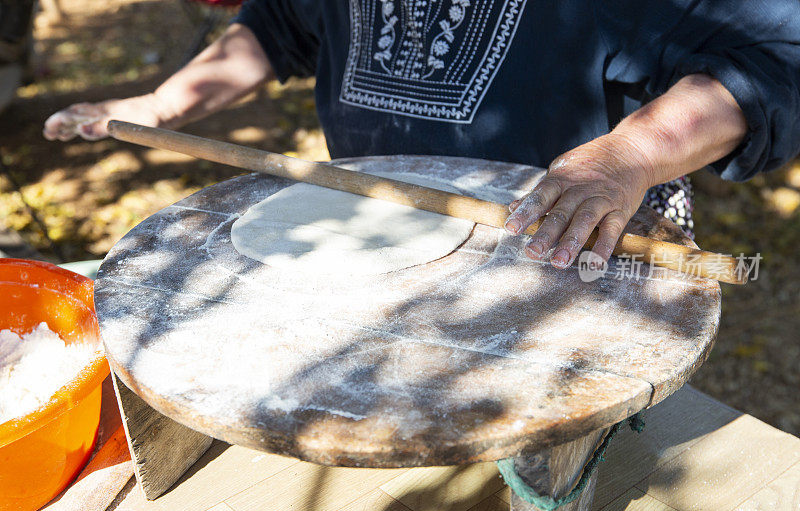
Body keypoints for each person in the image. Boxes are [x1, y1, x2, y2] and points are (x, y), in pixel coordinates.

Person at [43, 1, 800, 269]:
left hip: (573, 254)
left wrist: (631, 152)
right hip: (380, 244)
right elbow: (280, 24)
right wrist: (166, 101)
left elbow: (777, 60)